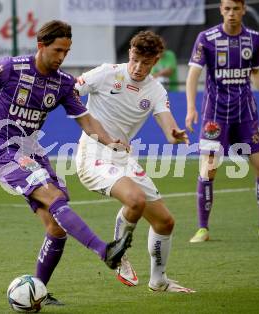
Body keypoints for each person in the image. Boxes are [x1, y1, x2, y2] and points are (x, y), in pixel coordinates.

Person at [0, 20, 133, 305]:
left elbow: (86, 120)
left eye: (67, 51)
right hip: (5, 150)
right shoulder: (10, 68)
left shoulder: (63, 82)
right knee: (53, 198)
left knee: (56, 225)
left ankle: (37, 292)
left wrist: (109, 140)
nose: (62, 57)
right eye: (58, 50)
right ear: (41, 46)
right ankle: (105, 251)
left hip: (32, 150)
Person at [75, 30, 194, 293]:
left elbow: (168, 125)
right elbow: (71, 89)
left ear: (156, 61)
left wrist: (174, 134)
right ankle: (117, 255)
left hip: (123, 158)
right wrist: (84, 117)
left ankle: (159, 280)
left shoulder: (155, 90)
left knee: (165, 222)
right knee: (136, 200)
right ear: (130, 52)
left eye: (146, 63)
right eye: (136, 59)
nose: (139, 68)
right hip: (93, 154)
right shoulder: (106, 73)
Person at [185, 0, 259, 243]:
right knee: (209, 169)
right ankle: (203, 228)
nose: (231, 14)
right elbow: (193, 74)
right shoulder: (206, 38)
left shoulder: (253, 38)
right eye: (227, 9)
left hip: (246, 114)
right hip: (215, 116)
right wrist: (191, 108)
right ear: (221, 10)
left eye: (236, 9)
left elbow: (255, 71)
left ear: (244, 9)